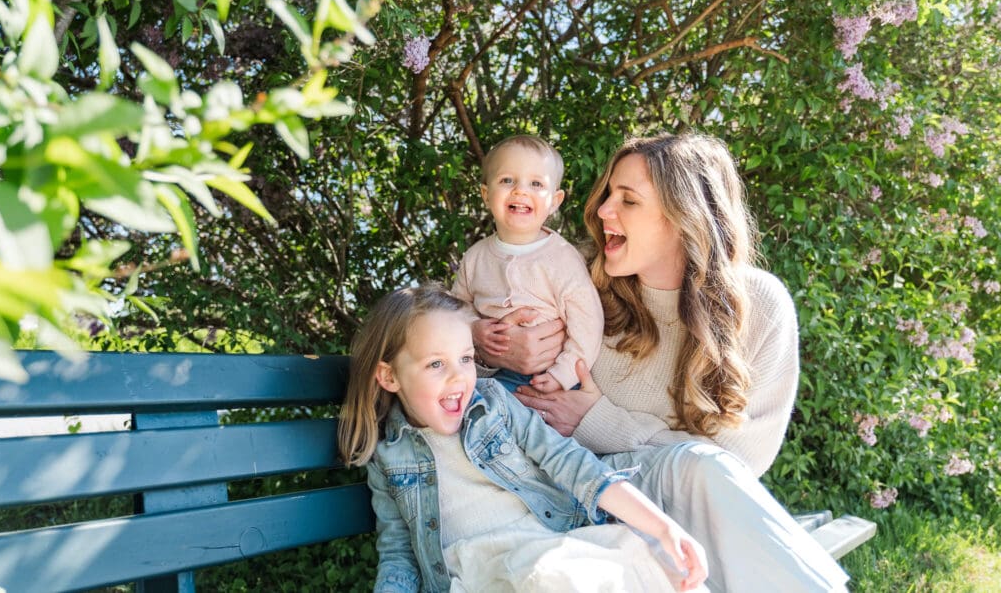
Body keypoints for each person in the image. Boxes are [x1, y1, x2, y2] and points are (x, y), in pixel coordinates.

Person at [474, 132, 849, 593]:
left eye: (628, 201)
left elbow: (736, 463)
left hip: (694, 512)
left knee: (702, 469)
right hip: (582, 503)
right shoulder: (576, 280)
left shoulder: (758, 305)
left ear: (682, 217)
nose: (603, 211)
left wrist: (600, 421)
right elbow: (482, 360)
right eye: (609, 195)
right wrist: (492, 351)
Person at [338, 284, 708, 593]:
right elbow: (399, 554)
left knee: (644, 566)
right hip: (482, 573)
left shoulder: (495, 404)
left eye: (466, 359)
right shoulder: (388, 458)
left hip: (547, 542)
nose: (459, 379)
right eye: (436, 364)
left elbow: (574, 465)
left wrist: (662, 527)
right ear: (389, 377)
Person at [451, 134, 603, 393]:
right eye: (507, 180)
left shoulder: (563, 259)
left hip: (546, 376)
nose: (520, 190)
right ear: (486, 195)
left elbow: (588, 323)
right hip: (486, 373)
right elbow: (455, 310)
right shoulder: (475, 257)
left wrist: (563, 374)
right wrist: (473, 329)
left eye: (536, 183)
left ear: (554, 202)